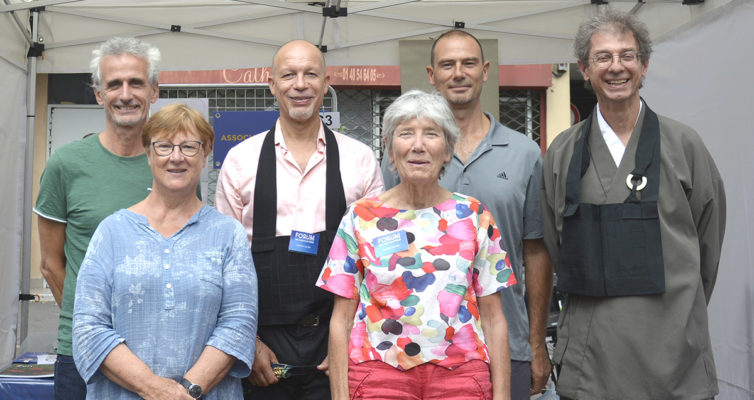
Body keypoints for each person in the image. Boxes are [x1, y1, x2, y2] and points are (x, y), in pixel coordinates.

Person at [541, 10, 726, 400]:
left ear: (644, 66)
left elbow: (707, 245)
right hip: (594, 357)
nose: (616, 67)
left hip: (673, 352)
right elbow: (558, 245)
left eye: (627, 56)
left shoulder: (683, 144)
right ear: (584, 69)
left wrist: (682, 313)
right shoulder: (564, 152)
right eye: (603, 57)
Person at [381, 30, 553, 398]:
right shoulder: (404, 157)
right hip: (424, 349)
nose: (458, 73)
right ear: (431, 74)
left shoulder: (524, 153)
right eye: (447, 65)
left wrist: (536, 342)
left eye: (468, 63)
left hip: (507, 340)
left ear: (485, 70)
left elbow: (536, 251)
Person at [215, 39, 384, 400]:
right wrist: (248, 343)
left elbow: (376, 264)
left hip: (338, 340)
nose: (300, 84)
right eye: (289, 75)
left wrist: (352, 339)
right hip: (262, 349)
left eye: (311, 74)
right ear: (272, 84)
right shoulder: (240, 161)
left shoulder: (360, 160)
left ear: (326, 83)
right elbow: (223, 265)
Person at [321, 89, 516, 400]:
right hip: (379, 375)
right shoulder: (360, 217)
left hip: (461, 376)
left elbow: (494, 318)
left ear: (449, 149)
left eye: (431, 134)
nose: (418, 145)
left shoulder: (474, 215)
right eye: (406, 133)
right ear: (389, 147)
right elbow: (341, 319)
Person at [72, 103, 258, 399]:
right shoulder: (111, 232)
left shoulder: (228, 234)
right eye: (164, 146)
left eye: (189, 146)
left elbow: (238, 324)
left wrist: (186, 392)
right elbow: (89, 327)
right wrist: (154, 389)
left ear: (206, 153)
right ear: (148, 154)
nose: (176, 157)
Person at [34, 36, 161, 400]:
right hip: (83, 352)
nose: (125, 94)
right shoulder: (66, 164)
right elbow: (50, 265)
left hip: (157, 345)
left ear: (154, 90)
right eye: (113, 84)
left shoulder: (173, 165)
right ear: (98, 94)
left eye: (136, 83)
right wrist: (91, 324)